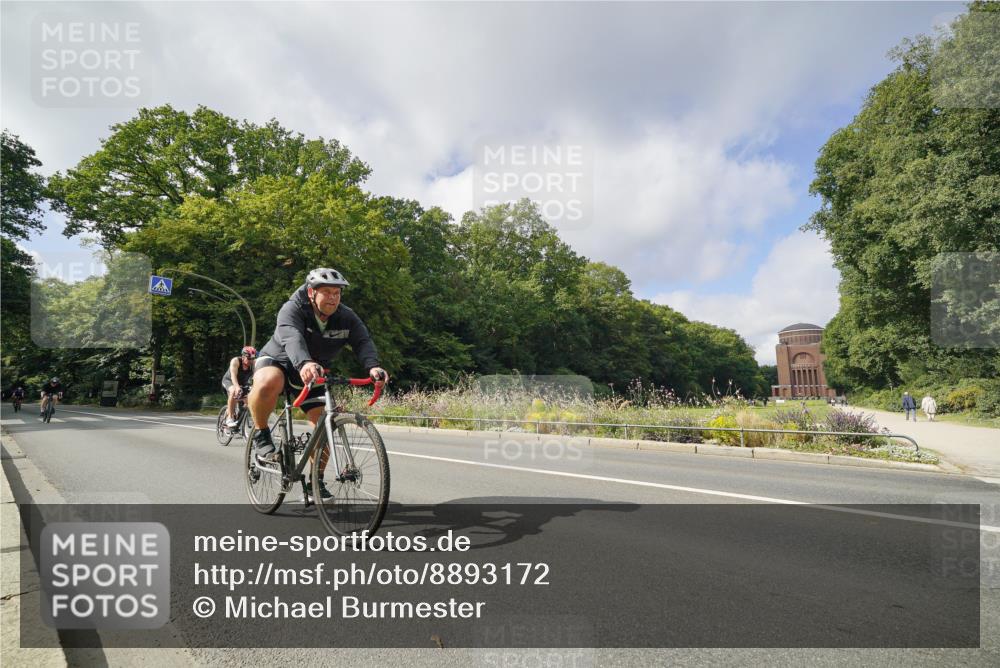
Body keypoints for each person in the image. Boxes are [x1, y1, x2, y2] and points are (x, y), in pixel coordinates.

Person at [248, 268, 388, 501]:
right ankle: (262, 435)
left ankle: (315, 481)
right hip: (280, 360)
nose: (333, 297)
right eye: (327, 292)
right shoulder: (292, 309)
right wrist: (303, 362)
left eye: (337, 293)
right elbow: (291, 336)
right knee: (267, 382)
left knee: (325, 424)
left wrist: (373, 366)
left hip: (315, 370)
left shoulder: (346, 317)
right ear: (312, 293)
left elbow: (363, 340)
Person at [222, 346, 257, 428]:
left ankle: (238, 419)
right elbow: (233, 376)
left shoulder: (253, 363)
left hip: (242, 383)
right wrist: (237, 387)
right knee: (234, 391)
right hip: (229, 381)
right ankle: (229, 418)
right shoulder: (235, 361)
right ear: (243, 356)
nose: (250, 361)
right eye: (248, 359)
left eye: (252, 359)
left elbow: (255, 377)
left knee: (250, 400)